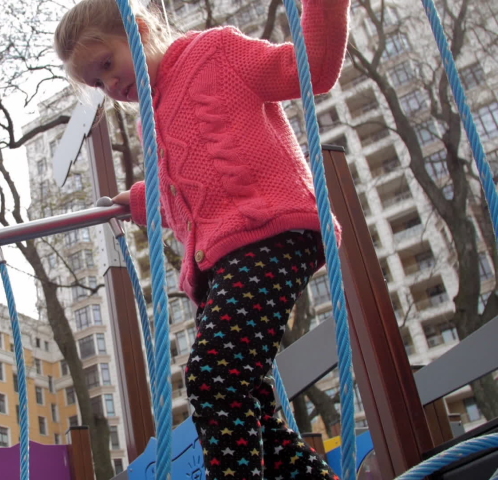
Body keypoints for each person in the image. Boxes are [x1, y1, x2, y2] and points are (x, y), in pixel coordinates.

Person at [55, 0, 350, 478]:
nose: (110, 85)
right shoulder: (149, 120)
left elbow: (310, 68)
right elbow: (187, 192)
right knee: (252, 417)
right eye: (96, 82)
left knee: (212, 379)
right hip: (223, 264)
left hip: (269, 233)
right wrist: (137, 201)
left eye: (108, 64)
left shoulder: (217, 54)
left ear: (141, 29)